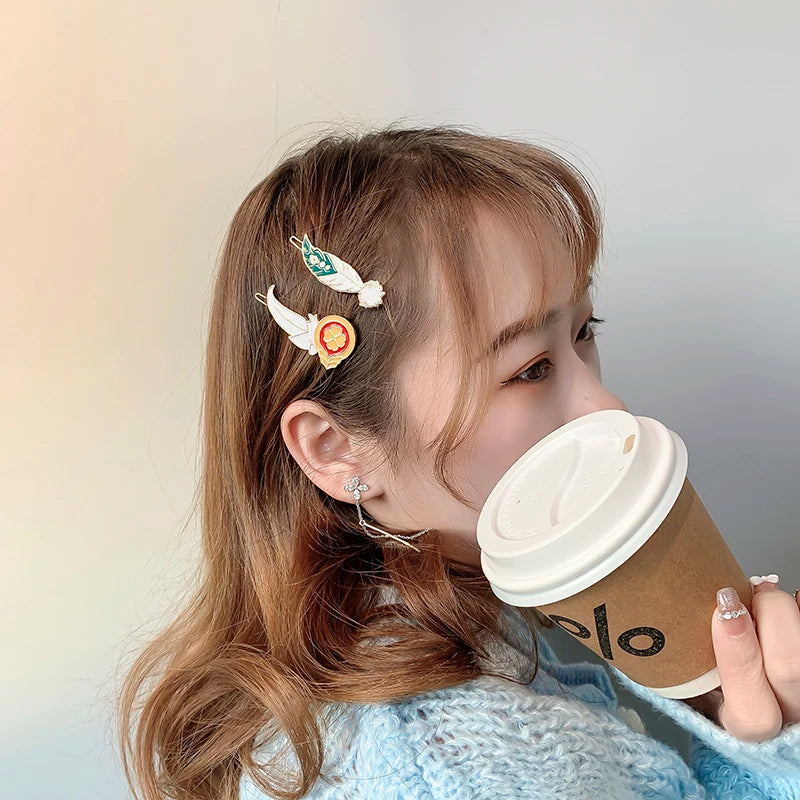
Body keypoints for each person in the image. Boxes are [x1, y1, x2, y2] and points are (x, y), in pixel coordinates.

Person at [117, 126, 800, 800]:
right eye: (529, 369)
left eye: (584, 332)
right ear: (336, 448)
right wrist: (774, 762)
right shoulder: (456, 769)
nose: (607, 406)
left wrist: (734, 717)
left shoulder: (437, 656)